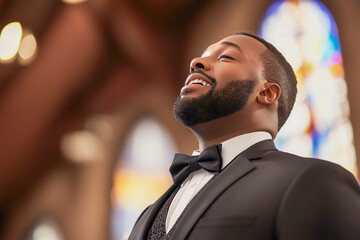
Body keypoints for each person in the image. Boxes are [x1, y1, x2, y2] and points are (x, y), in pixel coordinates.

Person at [128, 32, 360, 240]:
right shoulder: (147, 215)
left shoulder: (313, 180)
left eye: (225, 57)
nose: (195, 62)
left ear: (267, 93)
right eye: (202, 56)